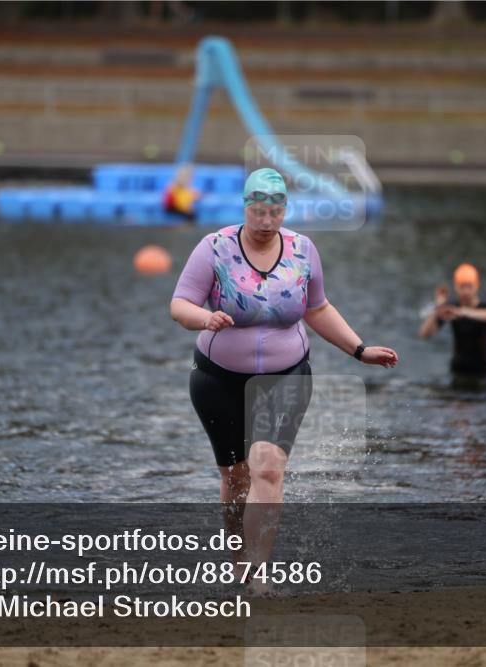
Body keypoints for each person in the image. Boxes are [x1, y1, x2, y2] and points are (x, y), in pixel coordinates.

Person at [170, 167, 399, 594]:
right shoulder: (214, 248)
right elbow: (180, 304)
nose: (266, 217)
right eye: (258, 206)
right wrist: (206, 317)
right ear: (246, 206)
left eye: (275, 207)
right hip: (217, 379)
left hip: (286, 375)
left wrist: (359, 349)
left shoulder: (302, 250)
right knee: (235, 478)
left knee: (268, 469)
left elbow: (318, 308)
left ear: (283, 209)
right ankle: (239, 564)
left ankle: (259, 577)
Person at [418, 263, 486, 384]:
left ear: (476, 286)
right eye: (462, 286)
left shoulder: (484, 307)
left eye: (469, 286)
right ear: (456, 287)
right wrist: (438, 308)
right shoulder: (452, 309)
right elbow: (424, 334)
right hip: (458, 369)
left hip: (481, 371)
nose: (466, 291)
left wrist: (463, 312)